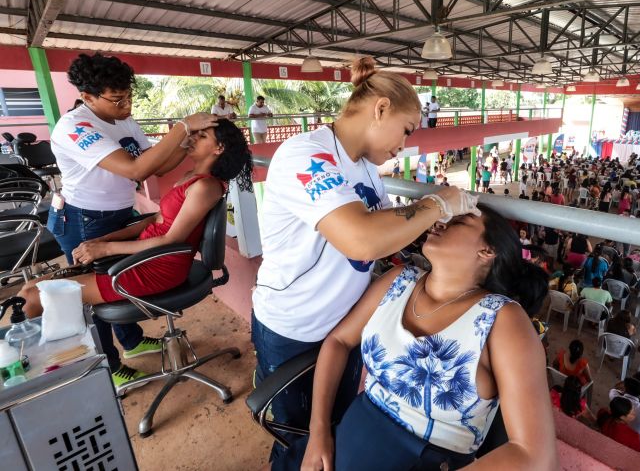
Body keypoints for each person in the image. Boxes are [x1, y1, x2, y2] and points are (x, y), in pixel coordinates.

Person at [251, 57, 480, 463]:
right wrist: (435, 204)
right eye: (407, 130)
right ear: (380, 109)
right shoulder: (305, 155)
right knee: (301, 442)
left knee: (335, 430)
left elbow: (384, 233)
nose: (404, 145)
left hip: (343, 323)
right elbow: (361, 239)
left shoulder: (365, 166)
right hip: (296, 326)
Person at [295, 206, 558, 470]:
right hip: (342, 442)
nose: (440, 221)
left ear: (487, 251)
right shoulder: (399, 281)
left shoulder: (502, 320)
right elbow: (339, 341)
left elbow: (535, 456)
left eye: (458, 221)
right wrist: (318, 431)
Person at [46, 53, 219, 387]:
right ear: (88, 97)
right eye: (117, 99)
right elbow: (135, 169)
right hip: (84, 218)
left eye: (129, 96)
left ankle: (131, 342)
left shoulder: (123, 121)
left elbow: (155, 167)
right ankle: (108, 366)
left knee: (115, 282)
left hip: (120, 213)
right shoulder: (75, 127)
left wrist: (186, 145)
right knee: (91, 295)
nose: (126, 106)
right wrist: (183, 125)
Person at [21, 118, 253, 347]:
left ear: (219, 148)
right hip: (141, 256)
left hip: (158, 267)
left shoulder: (205, 186)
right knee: (28, 288)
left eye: (202, 137)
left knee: (33, 298)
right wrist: (103, 240)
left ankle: (39, 369)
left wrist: (106, 248)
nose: (191, 138)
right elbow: (155, 219)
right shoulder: (190, 177)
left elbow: (171, 239)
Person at [609, 377, 640, 444]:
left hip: (617, 436)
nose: (633, 415)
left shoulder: (615, 397)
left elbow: (614, 389)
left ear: (624, 388)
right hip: (636, 442)